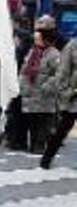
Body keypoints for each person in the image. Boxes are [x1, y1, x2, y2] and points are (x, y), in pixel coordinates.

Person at [18, 15, 60, 154]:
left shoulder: (54, 54)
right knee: (32, 121)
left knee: (43, 122)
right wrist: (22, 84)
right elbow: (24, 70)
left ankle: (39, 145)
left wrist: (47, 86)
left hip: (44, 95)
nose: (35, 41)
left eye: (38, 38)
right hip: (30, 93)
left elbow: (59, 74)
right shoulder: (32, 52)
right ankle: (33, 143)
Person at [43, 33, 77, 168]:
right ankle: (46, 158)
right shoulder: (72, 45)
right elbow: (63, 71)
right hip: (74, 95)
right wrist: (65, 92)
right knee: (63, 128)